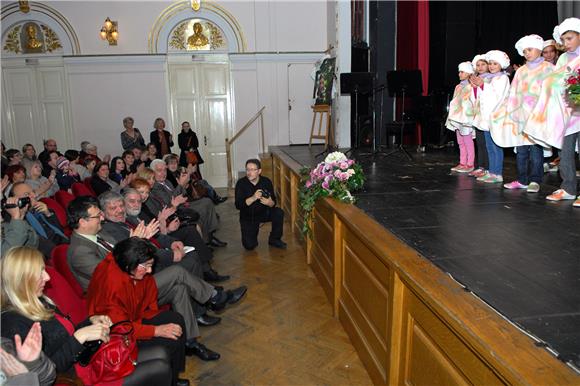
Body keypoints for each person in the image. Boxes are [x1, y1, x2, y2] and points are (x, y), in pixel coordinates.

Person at [66, 197, 245, 360]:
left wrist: (138, 244)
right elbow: (112, 275)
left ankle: (190, 343)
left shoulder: (100, 235)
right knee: (177, 272)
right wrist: (134, 243)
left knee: (179, 289)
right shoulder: (79, 251)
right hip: (118, 300)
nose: (102, 218)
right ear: (83, 221)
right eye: (98, 216)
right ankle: (215, 297)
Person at [0, 246, 175, 386]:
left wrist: (90, 321)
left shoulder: (40, 301)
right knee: (159, 367)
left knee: (162, 353)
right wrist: (80, 336)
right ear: (22, 279)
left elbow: (64, 336)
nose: (46, 277)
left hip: (86, 360)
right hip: (76, 377)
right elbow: (48, 372)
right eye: (39, 273)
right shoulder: (12, 323)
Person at [87, 238, 192, 386]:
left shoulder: (128, 265)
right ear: (130, 264)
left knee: (175, 319)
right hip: (117, 335)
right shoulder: (111, 287)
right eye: (146, 266)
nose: (150, 271)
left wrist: (155, 319)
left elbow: (148, 289)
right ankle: (169, 379)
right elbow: (119, 326)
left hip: (135, 315)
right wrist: (156, 330)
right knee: (169, 339)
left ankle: (174, 374)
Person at [525, 18, 580, 207]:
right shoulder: (564, 58)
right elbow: (557, 81)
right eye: (563, 40)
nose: (566, 43)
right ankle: (569, 188)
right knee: (565, 150)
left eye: (570, 38)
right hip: (569, 112)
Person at [495, 35, 554, 193]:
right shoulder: (521, 71)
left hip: (537, 117)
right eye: (525, 51)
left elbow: (552, 92)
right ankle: (522, 179)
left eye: (530, 49)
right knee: (521, 151)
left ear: (539, 49)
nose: (527, 53)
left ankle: (535, 180)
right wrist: (511, 112)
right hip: (521, 117)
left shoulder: (548, 68)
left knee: (536, 150)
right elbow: (513, 92)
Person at [149, 159, 226, 247]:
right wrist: (181, 185)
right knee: (201, 210)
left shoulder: (167, 181)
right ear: (152, 172)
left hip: (181, 204)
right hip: (174, 210)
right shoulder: (155, 186)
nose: (163, 173)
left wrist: (183, 185)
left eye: (165, 170)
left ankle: (210, 235)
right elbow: (170, 202)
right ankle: (205, 241)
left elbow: (182, 195)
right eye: (159, 170)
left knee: (207, 201)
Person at [473, 50, 511, 184]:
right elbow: (483, 96)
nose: (492, 66)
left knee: (496, 145)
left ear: (501, 64)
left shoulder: (503, 78)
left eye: (495, 63)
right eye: (490, 63)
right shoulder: (490, 78)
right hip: (487, 117)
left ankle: (498, 173)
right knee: (489, 145)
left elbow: (497, 96)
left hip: (496, 117)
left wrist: (483, 85)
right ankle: (491, 171)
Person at [235, 159, 286, 250]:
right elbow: (238, 205)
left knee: (278, 212)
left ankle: (274, 239)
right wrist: (253, 197)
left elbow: (273, 202)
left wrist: (270, 203)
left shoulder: (266, 181)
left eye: (252, 170)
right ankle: (254, 229)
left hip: (264, 213)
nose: (249, 172)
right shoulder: (241, 183)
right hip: (248, 216)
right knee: (249, 246)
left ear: (259, 171)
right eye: (247, 170)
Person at [8, 182, 68, 257]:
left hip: (64, 243)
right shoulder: (18, 220)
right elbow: (41, 246)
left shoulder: (40, 208)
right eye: (27, 194)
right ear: (16, 200)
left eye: (32, 192)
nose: (33, 195)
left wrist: (48, 214)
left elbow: (60, 230)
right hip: (51, 254)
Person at [446, 61, 476, 173]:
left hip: (466, 119)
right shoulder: (458, 86)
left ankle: (470, 164)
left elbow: (473, 102)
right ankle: (462, 162)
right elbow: (454, 102)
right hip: (457, 118)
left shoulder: (471, 86)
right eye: (459, 72)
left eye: (462, 72)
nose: (459, 74)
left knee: (468, 141)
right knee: (460, 141)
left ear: (469, 73)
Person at [468, 55, 490, 178]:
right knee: (480, 142)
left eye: (483, 64)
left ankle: (488, 168)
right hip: (479, 115)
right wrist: (475, 87)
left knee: (488, 143)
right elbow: (475, 98)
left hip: (488, 115)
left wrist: (481, 85)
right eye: (478, 65)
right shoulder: (477, 79)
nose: (480, 67)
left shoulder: (491, 79)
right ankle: (481, 166)